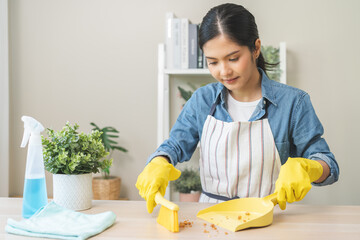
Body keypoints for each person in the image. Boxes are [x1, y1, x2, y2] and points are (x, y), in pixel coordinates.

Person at [136, 3, 339, 213]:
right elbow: (175, 146)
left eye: (233, 58)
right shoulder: (202, 100)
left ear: (256, 48)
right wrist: (159, 162)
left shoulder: (293, 103)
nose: (224, 71)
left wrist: (309, 169)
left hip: (271, 217)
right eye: (213, 62)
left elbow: (328, 164)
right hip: (211, 219)